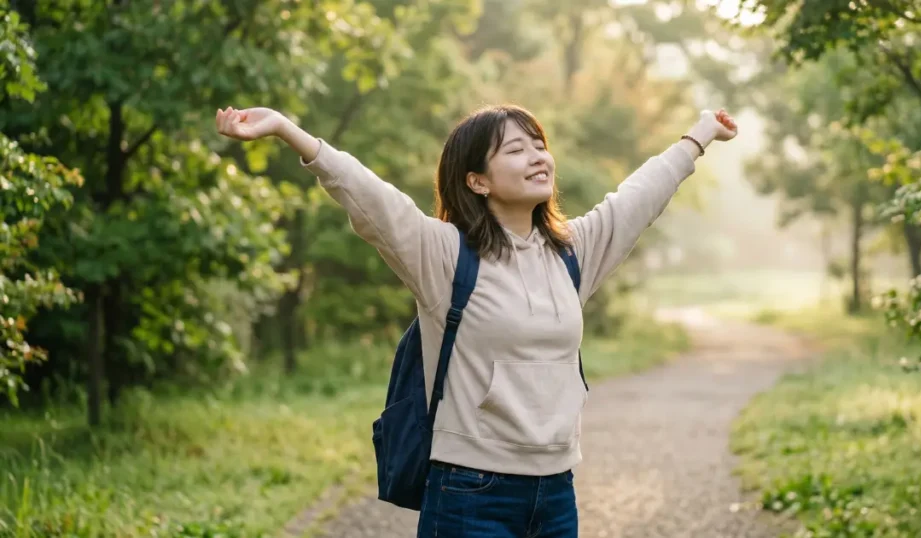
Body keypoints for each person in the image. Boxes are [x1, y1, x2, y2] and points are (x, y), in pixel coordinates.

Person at [215, 103, 737, 537]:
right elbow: (371, 199)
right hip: (470, 492)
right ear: (477, 181)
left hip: (556, 491)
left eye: (539, 145)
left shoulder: (573, 253)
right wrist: (287, 130)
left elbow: (639, 197)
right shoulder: (444, 256)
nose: (538, 157)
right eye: (516, 149)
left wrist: (699, 136)